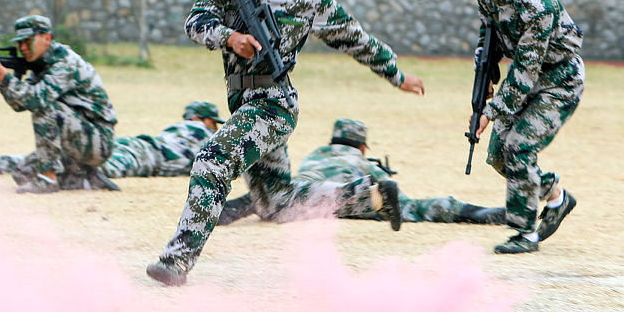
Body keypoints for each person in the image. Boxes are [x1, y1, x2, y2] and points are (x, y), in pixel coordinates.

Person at [146, 0, 427, 287]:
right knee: (274, 203)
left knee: (213, 160)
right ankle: (371, 197)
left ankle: (176, 260)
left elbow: (354, 38)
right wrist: (230, 38)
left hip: (275, 104)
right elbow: (196, 22)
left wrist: (397, 75)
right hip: (243, 102)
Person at [465, 0, 583, 254]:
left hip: (558, 81)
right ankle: (555, 196)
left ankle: (524, 234)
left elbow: (525, 72)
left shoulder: (538, 8)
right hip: (524, 74)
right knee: (499, 155)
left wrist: (489, 113)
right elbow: (487, 34)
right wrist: (486, 72)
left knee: (518, 147)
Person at [0, 14, 118, 193]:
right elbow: (20, 104)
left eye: (28, 41)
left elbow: (36, 100)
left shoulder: (65, 63)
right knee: (23, 173)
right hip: (75, 140)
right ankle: (85, 178)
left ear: (46, 38)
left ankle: (49, 179)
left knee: (45, 107)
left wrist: (5, 77)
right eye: (20, 43)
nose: (23, 47)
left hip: (98, 142)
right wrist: (1, 81)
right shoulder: (40, 64)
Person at [217, 118, 508, 227]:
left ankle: (237, 207)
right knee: (421, 207)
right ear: (362, 147)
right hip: (351, 194)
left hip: (309, 195)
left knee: (279, 198)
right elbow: (385, 182)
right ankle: (486, 213)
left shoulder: (317, 153)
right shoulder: (361, 159)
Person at [101, 101, 222, 179]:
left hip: (137, 144)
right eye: (212, 122)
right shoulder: (202, 131)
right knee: (102, 170)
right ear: (196, 119)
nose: (216, 128)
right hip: (148, 156)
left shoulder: (178, 128)